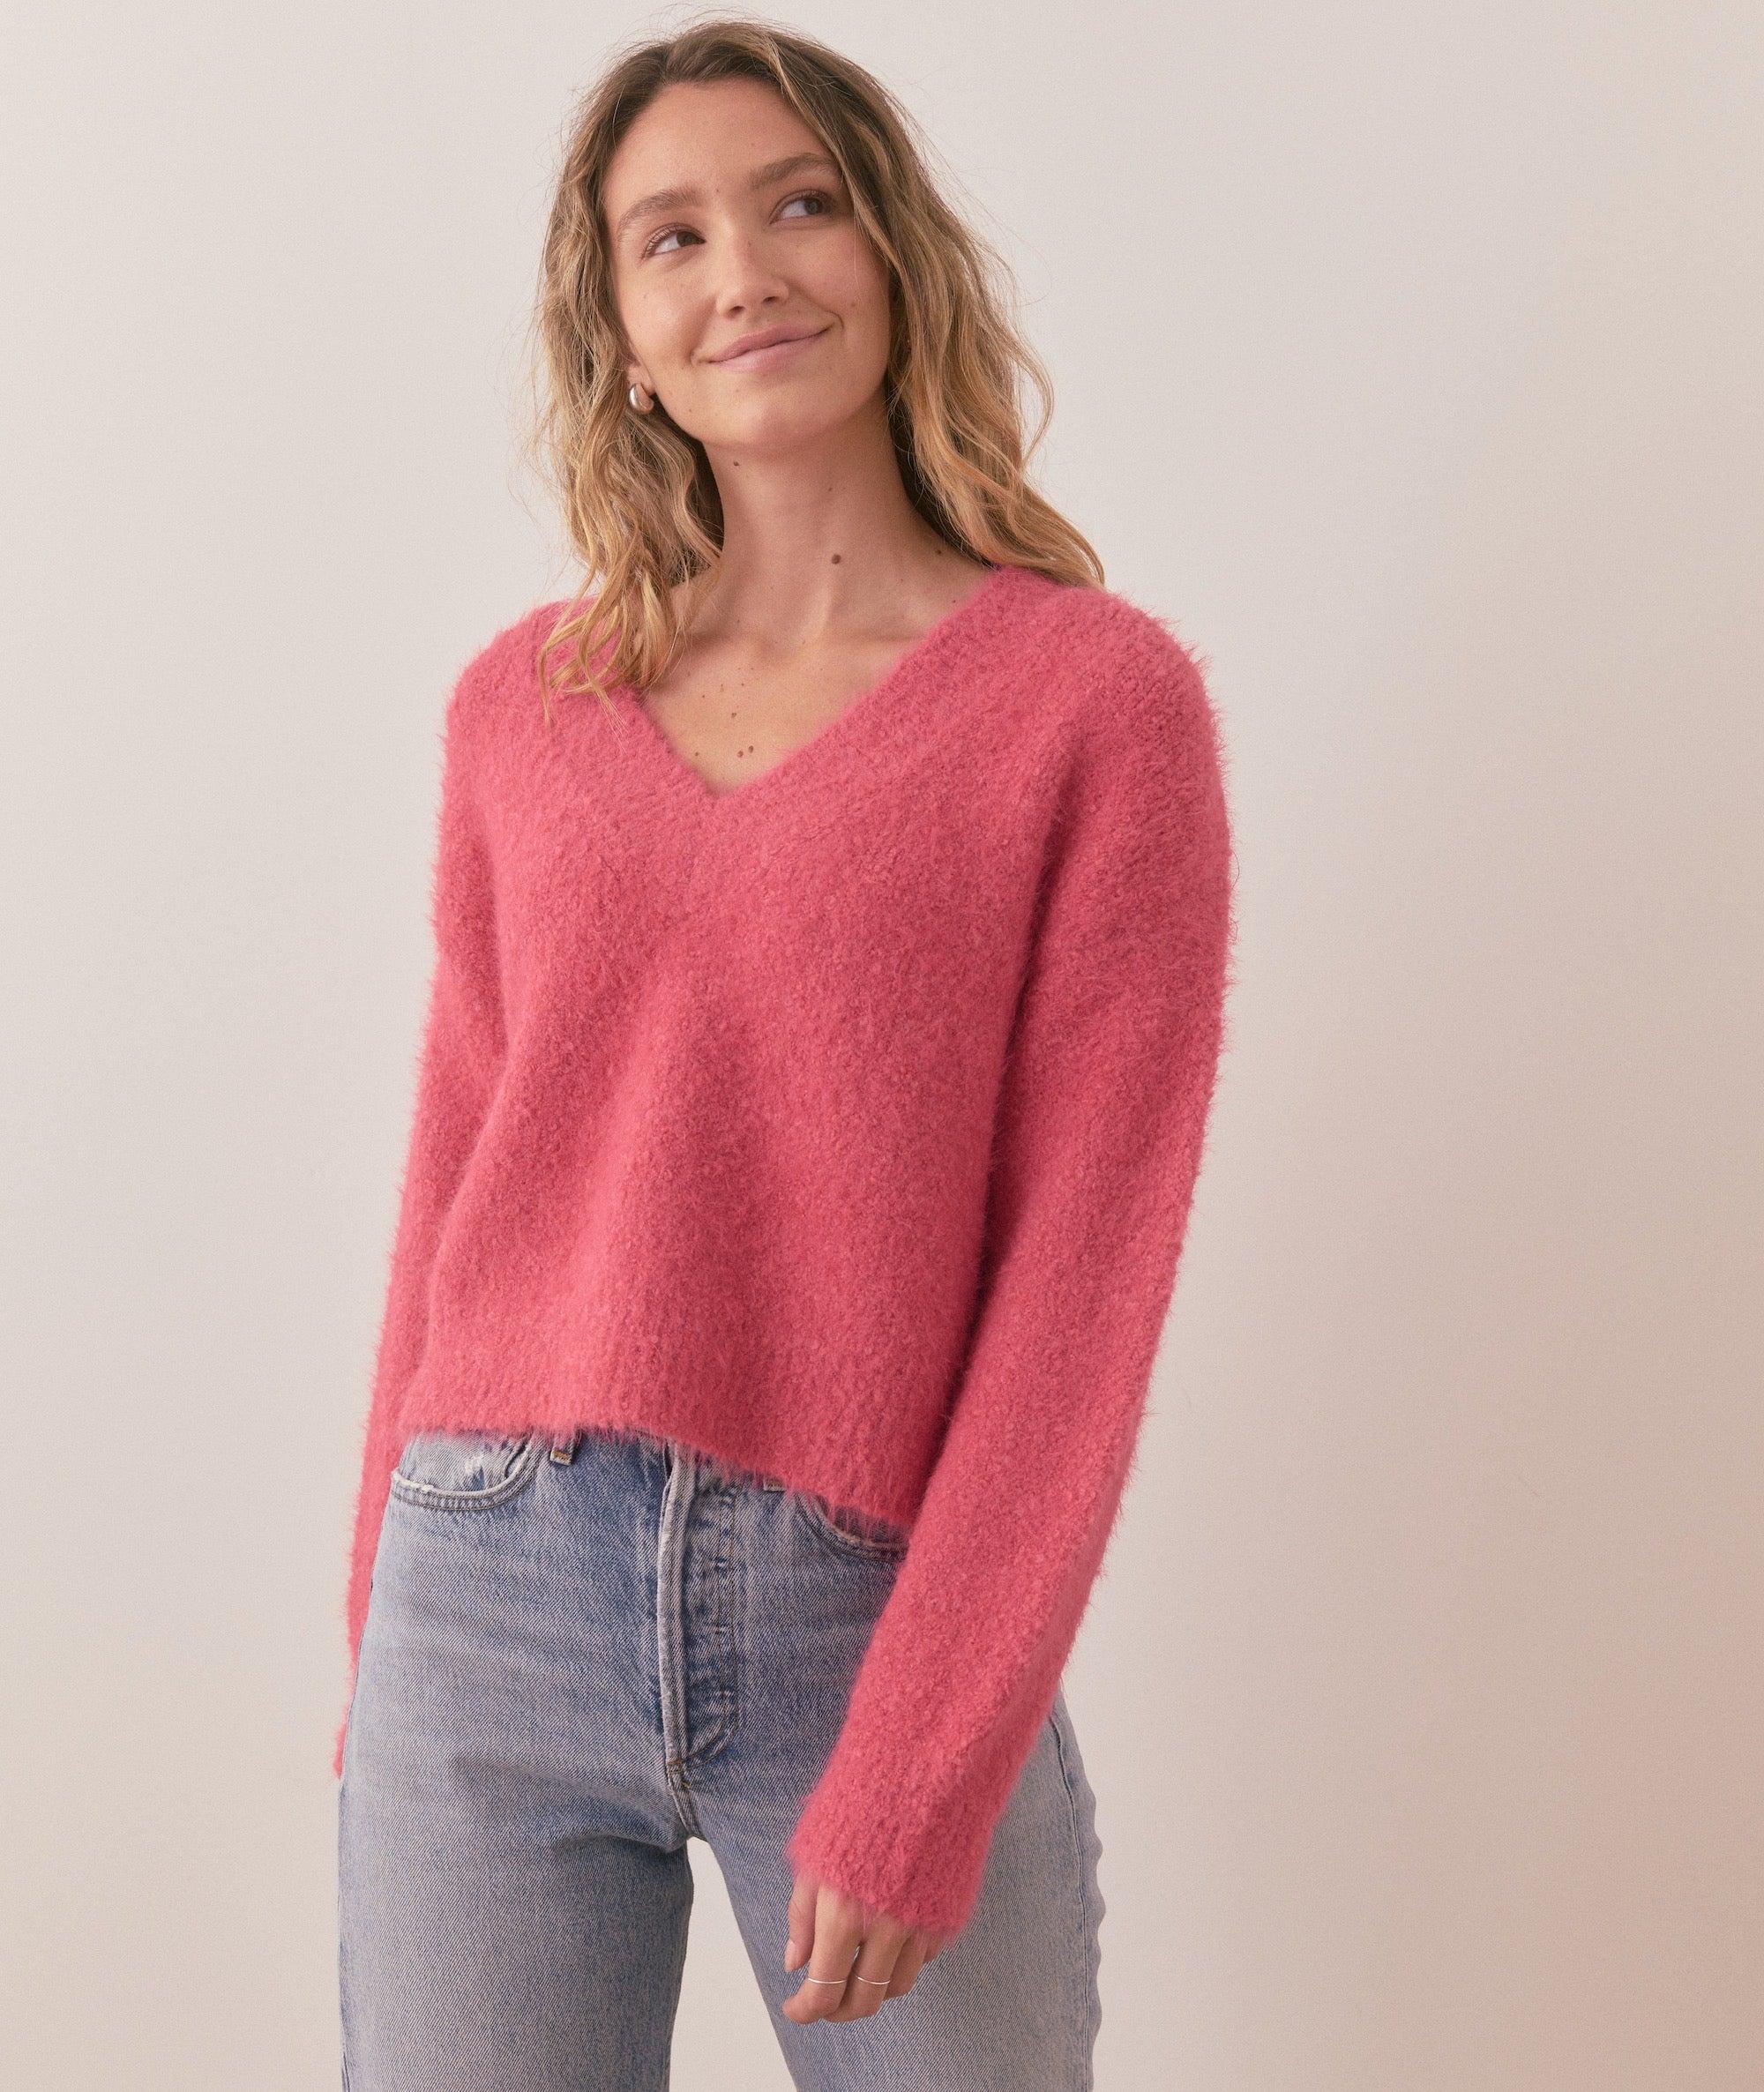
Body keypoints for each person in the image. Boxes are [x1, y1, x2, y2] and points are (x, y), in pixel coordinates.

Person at [334, 19, 1236, 2089]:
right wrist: (379, 1643)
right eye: (670, 236)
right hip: (485, 1579)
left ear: (894, 254)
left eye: (797, 203)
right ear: (623, 339)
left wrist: (929, 1748)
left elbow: (1085, 1269)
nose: (741, 271)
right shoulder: (522, 707)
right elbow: (454, 1178)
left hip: (871, 1605)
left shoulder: (1091, 704)